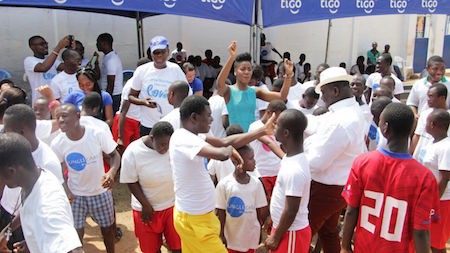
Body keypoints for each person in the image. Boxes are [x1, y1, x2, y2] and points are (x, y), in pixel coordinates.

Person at [170, 95, 276, 253]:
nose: (212, 119)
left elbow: (225, 143)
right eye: (208, 115)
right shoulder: (183, 138)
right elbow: (221, 152)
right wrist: (231, 151)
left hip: (198, 218)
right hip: (194, 221)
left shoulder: (194, 136)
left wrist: (261, 131)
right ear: (194, 117)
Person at [340, 103, 440, 253]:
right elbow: (420, 232)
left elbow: (351, 210)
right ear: (412, 129)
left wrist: (345, 246)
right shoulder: (425, 178)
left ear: (385, 128)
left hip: (364, 247)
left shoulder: (362, 162)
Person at [304, 67, 366, 253]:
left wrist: (301, 149)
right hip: (340, 187)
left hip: (325, 189)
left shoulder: (341, 120)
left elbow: (316, 162)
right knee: (329, 232)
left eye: (323, 93)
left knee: (302, 231)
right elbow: (318, 124)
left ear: (335, 91)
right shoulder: (349, 111)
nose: (322, 98)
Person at [51, 103, 120, 253]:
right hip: (75, 196)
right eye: (57, 117)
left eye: (64, 116)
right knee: (76, 235)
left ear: (77, 116)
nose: (60, 120)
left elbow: (115, 155)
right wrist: (66, 189)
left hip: (100, 192)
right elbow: (58, 168)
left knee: (108, 230)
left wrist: (112, 173)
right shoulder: (57, 143)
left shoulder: (96, 134)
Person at [0, 133, 83, 253]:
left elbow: (74, 250)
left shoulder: (47, 209)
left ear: (11, 171)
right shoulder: (34, 179)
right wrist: (30, 241)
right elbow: (26, 209)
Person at [0, 104, 64, 250]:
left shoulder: (48, 163)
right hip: (7, 214)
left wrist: (29, 242)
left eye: (6, 130)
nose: (3, 133)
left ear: (22, 132)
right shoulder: (10, 150)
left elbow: (48, 208)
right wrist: (7, 232)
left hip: (28, 223)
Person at [120, 121, 181, 253]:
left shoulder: (172, 148)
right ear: (152, 138)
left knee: (177, 248)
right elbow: (131, 181)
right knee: (151, 250)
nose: (166, 148)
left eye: (168, 145)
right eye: (162, 144)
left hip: (171, 206)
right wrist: (145, 204)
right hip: (146, 210)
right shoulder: (133, 152)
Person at [217, 41, 293, 132]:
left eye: (249, 69)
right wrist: (231, 57)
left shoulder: (255, 91)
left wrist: (288, 76)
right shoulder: (229, 91)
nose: (246, 72)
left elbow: (282, 97)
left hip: (252, 139)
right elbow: (219, 84)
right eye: (242, 69)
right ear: (235, 72)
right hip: (235, 139)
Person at [265, 109, 311, 253]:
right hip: (285, 229)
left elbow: (291, 210)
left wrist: (276, 237)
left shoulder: (295, 170)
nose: (274, 127)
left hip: (290, 234)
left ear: (286, 133)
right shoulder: (290, 158)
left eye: (277, 125)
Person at [129, 35, 189, 137]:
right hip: (148, 126)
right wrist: (143, 102)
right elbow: (131, 96)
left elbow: (187, 95)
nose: (159, 55)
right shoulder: (142, 70)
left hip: (171, 125)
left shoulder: (175, 70)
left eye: (163, 52)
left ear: (168, 51)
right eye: (156, 52)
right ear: (151, 54)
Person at [216, 145, 268, 253]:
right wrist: (221, 234)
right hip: (232, 238)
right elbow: (221, 212)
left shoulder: (256, 184)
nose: (254, 161)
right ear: (236, 160)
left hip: (250, 236)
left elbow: (260, 212)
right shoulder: (225, 184)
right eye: (251, 158)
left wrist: (258, 231)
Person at [421, 109, 450, 253]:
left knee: (436, 243)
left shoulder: (446, 147)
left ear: (432, 124)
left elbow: (444, 178)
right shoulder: (432, 143)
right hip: (429, 198)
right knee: (427, 238)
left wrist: (433, 202)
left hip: (441, 201)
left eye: (426, 122)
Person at [248, 100, 286, 199]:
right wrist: (286, 159)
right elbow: (269, 143)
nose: (277, 123)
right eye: (276, 119)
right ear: (269, 113)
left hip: (278, 172)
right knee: (264, 205)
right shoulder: (255, 127)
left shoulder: (278, 127)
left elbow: (282, 146)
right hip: (261, 173)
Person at [113, 58, 150, 153]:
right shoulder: (131, 85)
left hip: (137, 122)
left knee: (135, 153)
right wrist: (120, 137)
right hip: (125, 123)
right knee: (122, 153)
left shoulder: (146, 83)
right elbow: (123, 112)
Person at [24, 35, 69, 104]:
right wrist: (58, 47)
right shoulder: (29, 60)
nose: (45, 46)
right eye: (42, 44)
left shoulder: (51, 59)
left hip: (55, 101)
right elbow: (44, 68)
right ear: (32, 47)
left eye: (46, 43)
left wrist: (72, 49)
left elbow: (67, 67)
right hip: (40, 102)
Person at [410, 83, 449, 158]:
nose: (428, 99)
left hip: (439, 157)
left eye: (431, 96)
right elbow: (417, 135)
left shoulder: (448, 116)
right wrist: (410, 154)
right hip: (422, 156)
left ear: (442, 98)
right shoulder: (424, 114)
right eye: (428, 96)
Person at [96, 33, 123, 114]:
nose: (96, 45)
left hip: (113, 95)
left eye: (98, 42)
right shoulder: (107, 57)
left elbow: (111, 83)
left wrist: (107, 100)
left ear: (104, 43)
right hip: (110, 94)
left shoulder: (111, 60)